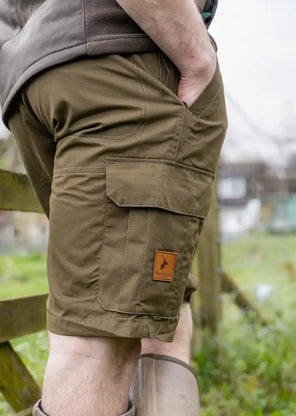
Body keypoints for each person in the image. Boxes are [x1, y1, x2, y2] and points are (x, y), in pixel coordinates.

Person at [0, 1, 227, 415]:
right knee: (97, 341)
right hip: (124, 54)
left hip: (33, 63)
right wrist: (196, 53)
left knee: (158, 309)